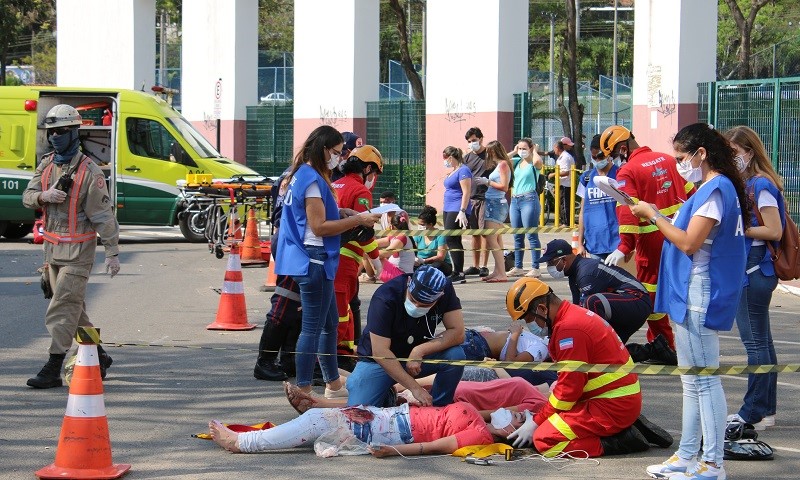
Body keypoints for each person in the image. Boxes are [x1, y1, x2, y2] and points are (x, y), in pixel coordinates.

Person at [634, 123, 747, 480]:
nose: (679, 164)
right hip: (689, 289)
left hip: (699, 290)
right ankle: (687, 455)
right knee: (692, 379)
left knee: (704, 379)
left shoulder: (716, 189)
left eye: (683, 158)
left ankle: (712, 463)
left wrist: (654, 216)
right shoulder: (709, 188)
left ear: (702, 154)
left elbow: (688, 242)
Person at [503, 277, 673, 457]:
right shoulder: (572, 315)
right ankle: (621, 427)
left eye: (529, 319)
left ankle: (622, 440)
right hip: (613, 399)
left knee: (544, 440)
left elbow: (568, 392)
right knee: (547, 417)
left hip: (611, 406)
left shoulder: (570, 330)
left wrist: (536, 422)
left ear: (542, 309)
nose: (529, 326)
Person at [275, 125, 381, 398]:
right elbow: (319, 226)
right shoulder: (311, 179)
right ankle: (304, 389)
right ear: (323, 149)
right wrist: (357, 218)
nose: (338, 158)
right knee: (312, 327)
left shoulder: (303, 175)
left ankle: (333, 382)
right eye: (335, 153)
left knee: (330, 322)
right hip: (314, 261)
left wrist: (343, 211)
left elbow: (318, 213)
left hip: (313, 259)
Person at [22, 104, 120, 389]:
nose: (55, 137)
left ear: (75, 132)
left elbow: (103, 215)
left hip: (78, 254)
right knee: (76, 311)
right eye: (52, 131)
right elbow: (27, 197)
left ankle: (53, 365)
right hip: (52, 253)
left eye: (62, 131)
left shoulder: (89, 171)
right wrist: (44, 195)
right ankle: (99, 355)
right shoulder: (47, 164)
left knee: (62, 307)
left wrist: (112, 253)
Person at [600, 125, 695, 352]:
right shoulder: (667, 159)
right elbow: (692, 194)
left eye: (615, 155)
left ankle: (665, 343)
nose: (616, 161)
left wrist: (624, 246)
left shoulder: (628, 172)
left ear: (623, 148)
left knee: (650, 295)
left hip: (651, 244)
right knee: (684, 290)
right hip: (680, 236)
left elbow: (628, 210)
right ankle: (687, 344)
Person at [724, 126, 784, 431]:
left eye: (735, 152)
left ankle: (753, 412)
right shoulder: (751, 184)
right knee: (763, 343)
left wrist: (738, 230)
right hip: (756, 270)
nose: (732, 158)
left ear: (750, 151)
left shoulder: (760, 185)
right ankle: (764, 410)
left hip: (755, 271)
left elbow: (774, 230)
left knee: (756, 345)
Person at [345, 266, 466, 407]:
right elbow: (380, 351)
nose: (416, 306)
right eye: (413, 299)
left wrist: (419, 351)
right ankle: (387, 394)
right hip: (379, 361)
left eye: (424, 304)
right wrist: (415, 388)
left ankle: (439, 407)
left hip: (416, 359)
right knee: (360, 412)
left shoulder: (445, 288)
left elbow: (457, 332)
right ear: (409, 282)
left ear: (440, 296)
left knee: (455, 355)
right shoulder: (385, 297)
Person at [208, 400, 496, 456]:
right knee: (317, 419)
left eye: (519, 419)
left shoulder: (481, 435)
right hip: (392, 414)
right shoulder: (482, 417)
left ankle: (243, 443)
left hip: (395, 430)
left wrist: (393, 451)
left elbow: (437, 447)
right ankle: (249, 440)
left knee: (315, 421)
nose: (516, 415)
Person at [537, 239, 657, 353]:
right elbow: (575, 310)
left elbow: (585, 314)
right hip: (626, 303)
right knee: (613, 351)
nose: (549, 267)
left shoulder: (585, 273)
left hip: (637, 299)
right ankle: (652, 351)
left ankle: (596, 345)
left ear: (564, 260)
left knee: (592, 302)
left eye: (551, 262)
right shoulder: (574, 274)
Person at [331, 145, 384, 370]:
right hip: (345, 261)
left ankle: (342, 353)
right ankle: (331, 359)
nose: (373, 179)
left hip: (330, 255)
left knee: (343, 310)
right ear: (368, 168)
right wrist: (375, 258)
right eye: (373, 174)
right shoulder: (361, 192)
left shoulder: (334, 184)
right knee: (341, 313)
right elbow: (363, 232)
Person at [254, 171, 302, 381]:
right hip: (292, 242)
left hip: (292, 241)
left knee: (298, 305)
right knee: (285, 302)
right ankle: (264, 362)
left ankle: (287, 360)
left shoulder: (300, 174)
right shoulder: (300, 175)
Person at [576, 134, 620, 261]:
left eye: (600, 156)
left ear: (609, 154)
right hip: (594, 241)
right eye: (594, 157)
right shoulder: (586, 178)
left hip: (616, 241)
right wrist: (579, 243)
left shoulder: (620, 174)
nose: (598, 160)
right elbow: (582, 211)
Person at [474, 140, 512, 283]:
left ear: (494, 151)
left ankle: (501, 273)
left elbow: (504, 187)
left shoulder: (502, 164)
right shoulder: (501, 164)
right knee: (496, 239)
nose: (487, 154)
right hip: (493, 202)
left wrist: (487, 182)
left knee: (491, 239)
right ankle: (498, 270)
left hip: (496, 204)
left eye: (489, 151)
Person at [507, 138, 544, 278]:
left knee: (531, 234)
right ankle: (518, 266)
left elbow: (537, 162)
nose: (522, 151)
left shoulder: (533, 163)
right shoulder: (517, 163)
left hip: (529, 199)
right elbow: (502, 160)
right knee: (517, 235)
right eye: (520, 148)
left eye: (524, 149)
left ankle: (536, 267)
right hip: (515, 200)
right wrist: (515, 151)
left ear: (530, 149)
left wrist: (534, 150)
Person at [440, 146, 472, 284]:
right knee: (451, 239)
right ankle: (457, 271)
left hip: (457, 207)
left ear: (451, 157)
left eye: (445, 158)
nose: (445, 161)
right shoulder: (454, 171)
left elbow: (466, 192)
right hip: (448, 207)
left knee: (452, 238)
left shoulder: (464, 170)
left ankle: (459, 272)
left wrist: (462, 210)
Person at [463, 127, 489, 277]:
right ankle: (475, 265)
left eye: (474, 140)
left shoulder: (489, 155)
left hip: (485, 198)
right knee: (474, 234)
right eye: (469, 141)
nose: (472, 143)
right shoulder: (467, 158)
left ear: (481, 138)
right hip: (471, 199)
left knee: (484, 232)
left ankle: (484, 266)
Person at [413, 205, 452, 276]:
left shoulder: (440, 236)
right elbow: (412, 250)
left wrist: (424, 261)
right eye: (419, 224)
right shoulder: (418, 235)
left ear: (430, 224)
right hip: (421, 264)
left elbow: (440, 257)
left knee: (436, 266)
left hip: (440, 264)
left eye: (422, 225)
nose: (420, 227)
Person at [377, 210, 416, 281]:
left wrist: (370, 251)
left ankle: (370, 277)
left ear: (391, 226)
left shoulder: (402, 237)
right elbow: (375, 243)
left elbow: (387, 252)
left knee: (370, 254)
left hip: (402, 275)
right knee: (369, 250)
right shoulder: (394, 236)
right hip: (397, 272)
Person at [547, 138, 575, 225]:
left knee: (565, 204)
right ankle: (563, 221)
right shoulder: (561, 157)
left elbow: (566, 172)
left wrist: (553, 174)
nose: (553, 150)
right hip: (561, 183)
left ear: (557, 147)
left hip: (565, 184)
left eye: (554, 148)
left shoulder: (565, 157)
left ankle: (566, 222)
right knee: (561, 203)